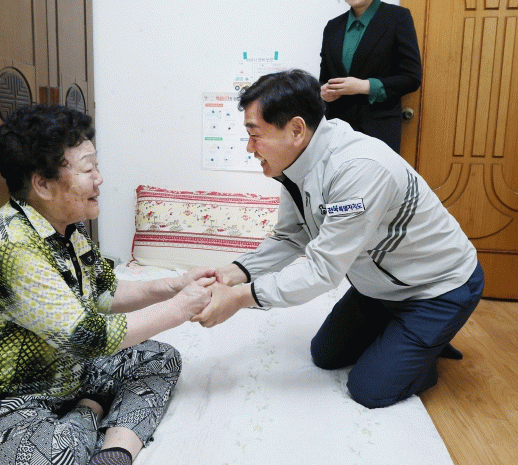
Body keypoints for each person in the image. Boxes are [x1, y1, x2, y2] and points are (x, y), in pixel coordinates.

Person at [0, 104, 218, 465]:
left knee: (160, 357)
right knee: (57, 455)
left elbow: (105, 294)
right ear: (43, 184)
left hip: (64, 372)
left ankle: (115, 452)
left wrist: (175, 285)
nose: (100, 178)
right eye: (88, 169)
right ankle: (91, 407)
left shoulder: (67, 228)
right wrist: (180, 308)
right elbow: (88, 337)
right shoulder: (11, 244)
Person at [192, 69, 484, 409]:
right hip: (380, 286)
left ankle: (427, 348)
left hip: (437, 288)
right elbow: (290, 237)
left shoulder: (360, 169)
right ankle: (407, 338)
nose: (249, 148)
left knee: (369, 389)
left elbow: (322, 271)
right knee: (325, 355)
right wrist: (230, 274)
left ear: (296, 130)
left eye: (255, 135)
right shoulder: (297, 164)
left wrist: (240, 297)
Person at [319, 0, 422, 153]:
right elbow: (324, 78)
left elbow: (411, 77)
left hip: (379, 129)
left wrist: (364, 86)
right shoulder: (332, 26)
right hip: (337, 130)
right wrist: (323, 92)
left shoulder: (397, 17)